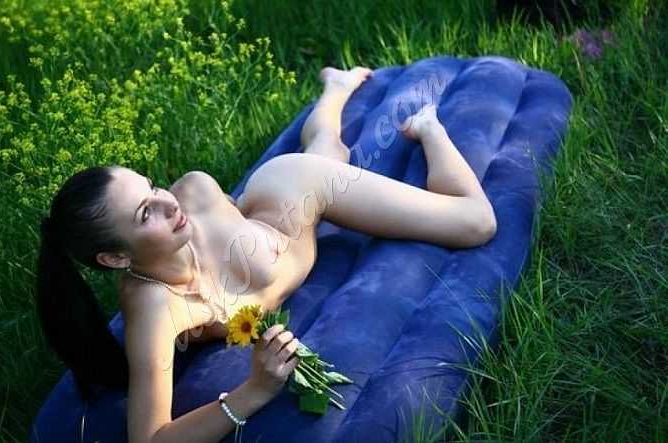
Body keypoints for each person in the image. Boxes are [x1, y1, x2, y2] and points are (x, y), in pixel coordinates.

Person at [35, 67, 497, 443]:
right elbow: (151, 439)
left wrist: (239, 226)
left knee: (476, 223)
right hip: (274, 215)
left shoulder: (193, 195)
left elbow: (218, 207)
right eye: (144, 213)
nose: (167, 203)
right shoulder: (154, 306)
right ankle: (336, 87)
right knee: (328, 149)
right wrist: (254, 390)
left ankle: (427, 124)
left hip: (296, 189)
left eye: (152, 186)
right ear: (114, 259)